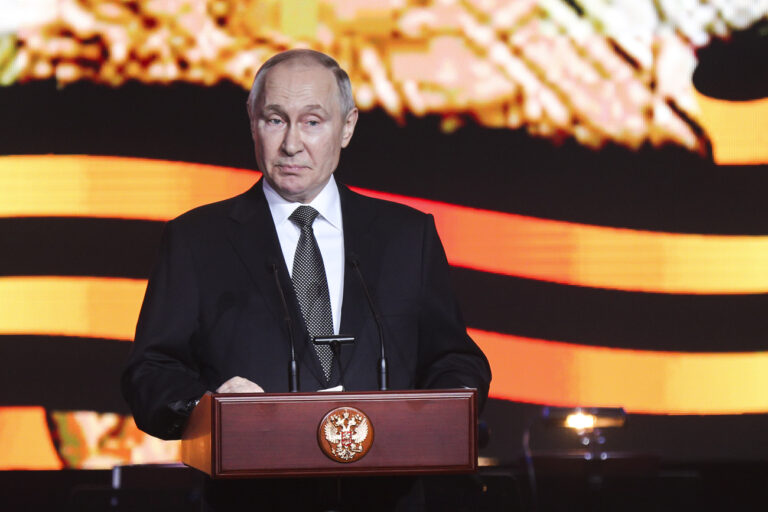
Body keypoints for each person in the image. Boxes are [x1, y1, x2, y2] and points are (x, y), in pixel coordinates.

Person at [122, 49, 491, 510]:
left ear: (348, 127)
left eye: (312, 122)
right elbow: (150, 372)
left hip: (385, 499)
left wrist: (433, 414)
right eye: (276, 120)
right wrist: (208, 406)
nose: (292, 144)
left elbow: (454, 358)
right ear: (252, 122)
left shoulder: (406, 236)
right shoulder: (197, 240)